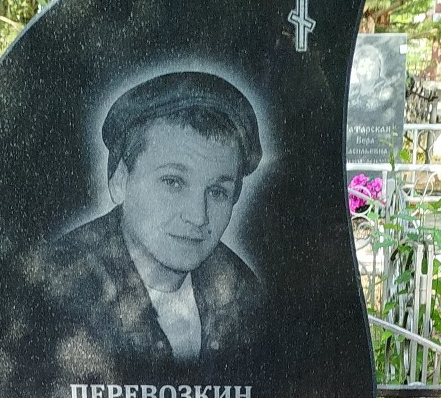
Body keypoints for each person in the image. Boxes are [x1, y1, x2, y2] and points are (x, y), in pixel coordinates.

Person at [29, 70, 265, 371]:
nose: (198, 216)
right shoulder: (56, 288)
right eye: (173, 182)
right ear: (120, 181)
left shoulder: (242, 291)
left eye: (218, 192)